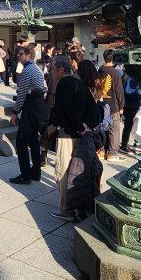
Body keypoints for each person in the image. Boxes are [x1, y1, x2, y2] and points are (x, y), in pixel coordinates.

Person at [48, 55, 100, 218]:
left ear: (61, 69)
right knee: (78, 171)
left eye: (53, 68)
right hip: (82, 136)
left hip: (67, 135)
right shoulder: (80, 84)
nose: (51, 71)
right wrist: (86, 126)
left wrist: (78, 127)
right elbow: (94, 109)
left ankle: (66, 208)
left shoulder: (63, 84)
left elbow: (66, 109)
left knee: (63, 171)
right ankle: (78, 206)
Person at [8, 45, 48, 184]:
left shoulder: (27, 70)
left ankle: (25, 174)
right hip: (39, 107)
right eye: (17, 54)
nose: (18, 57)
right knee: (33, 140)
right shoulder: (37, 68)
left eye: (20, 54)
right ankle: (36, 172)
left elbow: (21, 95)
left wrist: (15, 113)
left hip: (30, 108)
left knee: (21, 141)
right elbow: (45, 88)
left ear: (27, 54)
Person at [97, 50, 125, 160]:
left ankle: (101, 150)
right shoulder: (114, 73)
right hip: (113, 105)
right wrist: (121, 106)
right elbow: (119, 91)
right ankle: (113, 153)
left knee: (102, 127)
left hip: (101, 103)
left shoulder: (100, 71)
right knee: (114, 129)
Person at [120, 66, 141, 153]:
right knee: (134, 125)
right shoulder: (133, 80)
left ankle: (125, 144)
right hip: (133, 106)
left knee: (128, 126)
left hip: (129, 105)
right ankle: (133, 144)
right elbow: (131, 92)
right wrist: (140, 96)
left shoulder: (128, 78)